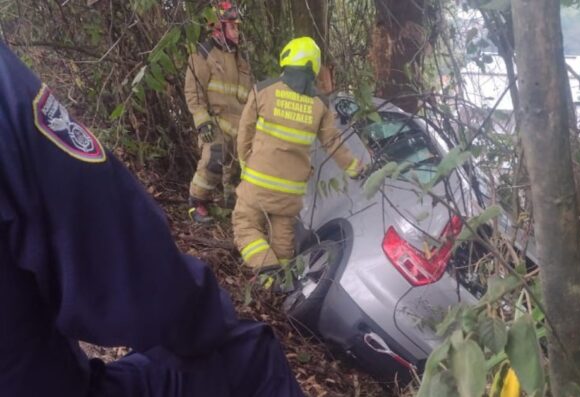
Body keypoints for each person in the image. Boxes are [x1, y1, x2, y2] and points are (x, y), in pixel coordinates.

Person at [0, 41, 304, 397]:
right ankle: (208, 211)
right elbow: (114, 252)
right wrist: (204, 315)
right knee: (253, 354)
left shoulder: (248, 69)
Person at [233, 36, 363, 271]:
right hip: (291, 192)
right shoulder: (320, 104)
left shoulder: (263, 90)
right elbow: (332, 142)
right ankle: (282, 280)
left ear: (287, 57)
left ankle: (268, 272)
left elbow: (244, 134)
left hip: (257, 183)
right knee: (283, 238)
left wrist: (245, 163)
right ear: (313, 66)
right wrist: (355, 168)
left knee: (245, 225)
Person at [185, 1, 252, 223]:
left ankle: (230, 208)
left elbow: (250, 97)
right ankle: (197, 202)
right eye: (232, 27)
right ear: (218, 28)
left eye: (237, 27)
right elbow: (193, 92)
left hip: (238, 127)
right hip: (215, 124)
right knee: (214, 159)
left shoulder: (240, 60)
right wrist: (203, 122)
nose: (237, 32)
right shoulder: (204, 55)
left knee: (235, 171)